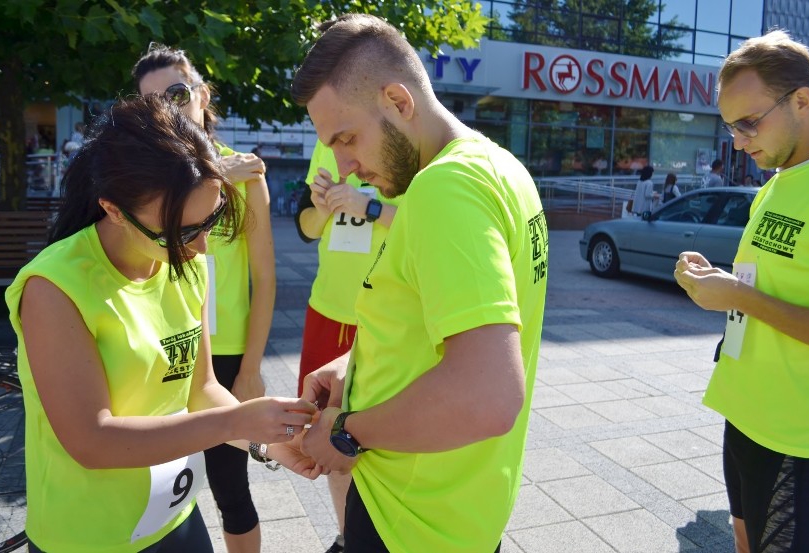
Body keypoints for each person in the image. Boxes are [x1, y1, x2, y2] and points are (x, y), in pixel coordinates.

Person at [4, 96, 320, 553]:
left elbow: (200, 388)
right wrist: (238, 420)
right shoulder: (54, 287)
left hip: (174, 519)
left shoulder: (183, 262)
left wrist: (265, 442)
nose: (202, 248)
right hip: (89, 535)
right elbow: (92, 441)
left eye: (211, 220)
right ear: (113, 210)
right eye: (181, 232)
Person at [291, 14, 548, 552]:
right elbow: (444, 331)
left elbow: (489, 395)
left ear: (398, 101)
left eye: (347, 138)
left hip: (408, 518)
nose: (344, 165)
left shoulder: (443, 190)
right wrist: (351, 369)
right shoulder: (501, 168)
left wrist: (346, 431)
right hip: (459, 507)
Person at [674, 30, 809, 553]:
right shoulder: (773, 184)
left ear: (803, 100)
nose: (740, 141)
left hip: (795, 432)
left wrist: (740, 297)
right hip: (744, 409)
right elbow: (770, 285)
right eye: (730, 128)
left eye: (749, 122)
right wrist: (718, 282)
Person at [133, 45, 276, 553]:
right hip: (161, 350)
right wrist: (210, 171)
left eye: (178, 93)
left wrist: (253, 366)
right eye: (153, 103)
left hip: (228, 352)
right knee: (156, 488)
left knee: (230, 491)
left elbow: (264, 276)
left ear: (202, 95)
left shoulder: (245, 172)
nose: (170, 110)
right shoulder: (140, 184)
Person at [295, 139, 399, 553]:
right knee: (326, 433)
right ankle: (344, 535)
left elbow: (427, 222)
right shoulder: (325, 144)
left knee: (376, 440)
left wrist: (368, 206)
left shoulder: (403, 141)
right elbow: (306, 228)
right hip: (327, 309)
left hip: (381, 316)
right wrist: (323, 209)